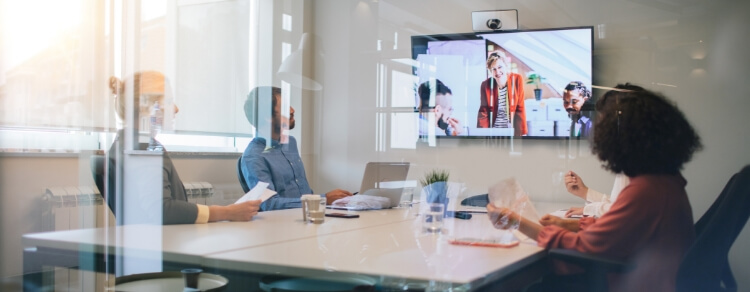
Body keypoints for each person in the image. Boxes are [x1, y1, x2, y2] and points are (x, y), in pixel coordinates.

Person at [487, 83, 702, 291]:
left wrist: (513, 221)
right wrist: (569, 224)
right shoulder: (663, 181)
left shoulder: (646, 191)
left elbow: (581, 247)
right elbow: (616, 231)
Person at [107, 71, 260, 225]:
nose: (176, 109)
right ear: (146, 107)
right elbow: (161, 209)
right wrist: (227, 212)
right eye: (168, 101)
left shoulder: (124, 143)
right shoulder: (143, 148)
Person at [241, 86, 352, 211]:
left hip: (308, 216)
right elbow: (268, 204)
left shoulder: (290, 143)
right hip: (283, 225)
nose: (292, 110)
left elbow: (304, 193)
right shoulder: (253, 157)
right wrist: (323, 199)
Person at [477, 51, 527, 136]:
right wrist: (482, 135)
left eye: (500, 67)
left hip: (511, 131)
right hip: (494, 132)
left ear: (506, 66)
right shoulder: (485, 85)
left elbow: (520, 108)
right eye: (494, 69)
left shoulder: (517, 79)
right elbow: (483, 112)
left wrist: (521, 134)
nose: (497, 72)